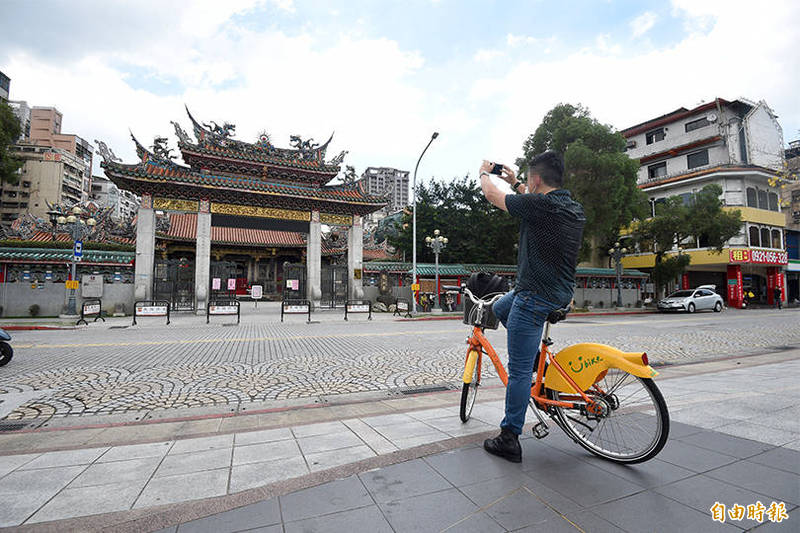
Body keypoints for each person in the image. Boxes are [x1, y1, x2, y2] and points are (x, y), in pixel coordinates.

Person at [478, 151, 585, 463]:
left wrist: (485, 173)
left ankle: (510, 436)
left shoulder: (539, 206)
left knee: (519, 370)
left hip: (534, 295)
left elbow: (491, 194)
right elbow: (533, 204)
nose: (525, 182)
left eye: (527, 178)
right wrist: (515, 182)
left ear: (536, 179)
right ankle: (540, 361)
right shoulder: (570, 207)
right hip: (560, 294)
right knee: (500, 308)